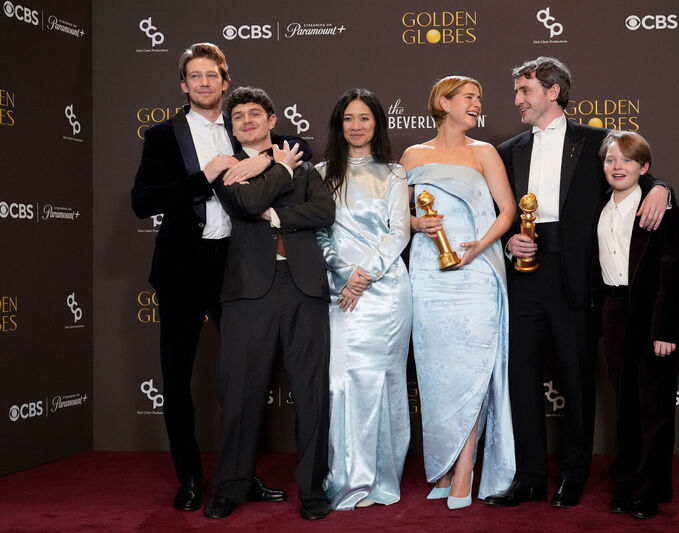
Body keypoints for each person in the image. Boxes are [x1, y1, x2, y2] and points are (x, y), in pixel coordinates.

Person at [131, 43, 310, 511]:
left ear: (225, 81)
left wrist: (264, 160)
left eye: (213, 75)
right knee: (178, 378)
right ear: (183, 85)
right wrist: (204, 176)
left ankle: (240, 475)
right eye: (195, 75)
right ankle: (189, 478)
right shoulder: (162, 135)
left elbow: (301, 150)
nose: (205, 82)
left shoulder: (242, 127)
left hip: (238, 268)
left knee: (245, 379)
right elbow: (142, 201)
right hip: (183, 271)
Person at [485, 57, 670, 509]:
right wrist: (511, 242)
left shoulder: (594, 142)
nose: (517, 101)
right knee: (521, 379)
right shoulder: (508, 149)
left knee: (577, 380)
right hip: (524, 277)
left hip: (577, 281)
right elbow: (496, 213)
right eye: (516, 92)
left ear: (553, 92)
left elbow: (633, 167)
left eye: (524, 91)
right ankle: (528, 476)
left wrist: (663, 187)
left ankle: (573, 475)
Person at [199, 86, 335, 521]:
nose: (246, 121)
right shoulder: (226, 168)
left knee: (312, 392)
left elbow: (324, 212)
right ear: (231, 127)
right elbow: (247, 202)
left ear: (272, 120)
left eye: (254, 113)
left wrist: (276, 216)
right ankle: (231, 486)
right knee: (239, 392)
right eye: (237, 117)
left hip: (304, 286)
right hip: (246, 292)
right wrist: (278, 166)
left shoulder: (306, 165)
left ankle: (313, 489)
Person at [401, 76, 517, 510]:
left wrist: (480, 246)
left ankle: (466, 468)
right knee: (436, 376)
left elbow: (507, 209)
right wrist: (417, 225)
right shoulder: (414, 155)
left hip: (476, 273)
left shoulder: (484, 152)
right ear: (444, 102)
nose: (477, 104)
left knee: (472, 372)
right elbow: (400, 214)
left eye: (479, 99)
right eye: (470, 97)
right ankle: (446, 464)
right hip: (429, 275)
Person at [315, 88, 412, 510]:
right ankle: (345, 476)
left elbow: (399, 232)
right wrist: (343, 273)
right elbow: (316, 232)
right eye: (348, 119)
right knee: (340, 382)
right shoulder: (320, 174)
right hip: (337, 291)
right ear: (339, 125)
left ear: (377, 124)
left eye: (364, 119)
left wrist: (365, 275)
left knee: (381, 383)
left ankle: (380, 478)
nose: (356, 126)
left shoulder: (394, 174)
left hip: (386, 292)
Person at [595, 131, 679, 520]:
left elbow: (675, 271)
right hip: (613, 310)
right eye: (610, 160)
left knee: (654, 410)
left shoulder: (657, 205)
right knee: (625, 408)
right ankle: (624, 486)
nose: (617, 166)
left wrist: (666, 330)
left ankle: (648, 491)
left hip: (653, 315)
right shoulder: (599, 206)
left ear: (644, 168)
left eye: (627, 160)